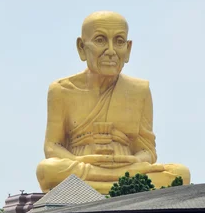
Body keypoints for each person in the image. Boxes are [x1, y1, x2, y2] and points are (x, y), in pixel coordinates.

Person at [36, 11, 190, 194]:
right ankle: (124, 191)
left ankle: (96, 190)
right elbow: (52, 147)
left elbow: (147, 150)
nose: (111, 51)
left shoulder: (139, 90)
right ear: (81, 47)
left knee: (180, 174)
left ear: (128, 49)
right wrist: (84, 162)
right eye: (100, 40)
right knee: (47, 170)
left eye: (119, 41)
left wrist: (133, 161)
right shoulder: (62, 90)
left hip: (127, 169)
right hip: (84, 167)